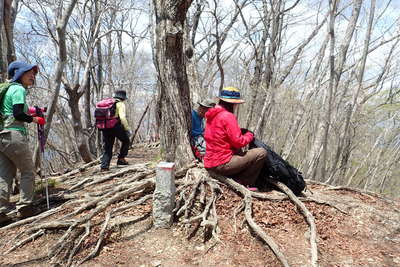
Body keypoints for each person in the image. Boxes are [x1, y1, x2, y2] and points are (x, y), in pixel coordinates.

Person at [0, 61, 46, 222]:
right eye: (29, 73)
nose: (33, 76)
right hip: (14, 136)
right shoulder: (18, 89)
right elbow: (18, 113)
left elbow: (10, 111)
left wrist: (32, 111)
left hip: (2, 136)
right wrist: (35, 119)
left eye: (34, 73)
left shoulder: (7, 90)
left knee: (5, 175)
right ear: (19, 74)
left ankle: (1, 211)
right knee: (28, 171)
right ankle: (25, 207)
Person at [203, 86, 267, 190]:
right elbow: (239, 142)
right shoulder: (228, 116)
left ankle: (236, 176)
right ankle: (243, 182)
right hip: (221, 164)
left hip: (210, 162)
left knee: (239, 150)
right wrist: (249, 134)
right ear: (232, 103)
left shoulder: (212, 115)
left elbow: (221, 136)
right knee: (261, 152)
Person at [100, 90, 132, 171]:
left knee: (108, 147)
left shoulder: (109, 103)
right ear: (123, 98)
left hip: (105, 127)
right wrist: (127, 129)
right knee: (126, 141)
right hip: (115, 126)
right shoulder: (120, 104)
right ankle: (121, 159)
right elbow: (122, 118)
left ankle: (104, 166)